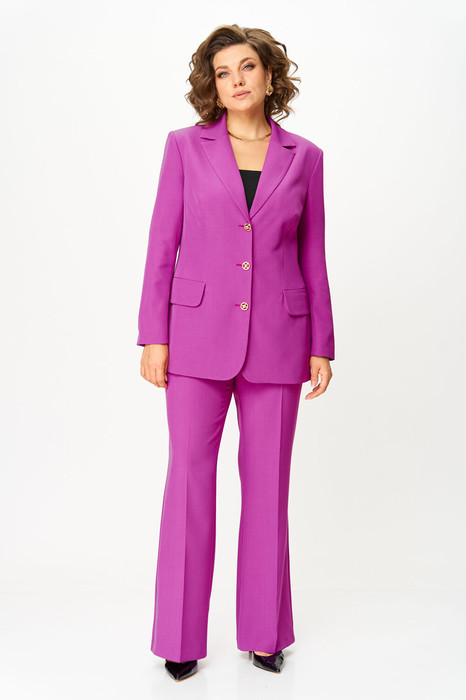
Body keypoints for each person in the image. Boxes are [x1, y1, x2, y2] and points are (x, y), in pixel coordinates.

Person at [137, 23, 335, 681]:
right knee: (188, 484)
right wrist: (154, 335)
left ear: (270, 75)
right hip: (194, 339)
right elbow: (162, 244)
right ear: (212, 86)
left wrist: (321, 342)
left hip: (280, 339)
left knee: (269, 487)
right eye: (224, 72)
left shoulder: (305, 157)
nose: (236, 80)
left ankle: (265, 632)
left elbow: (312, 253)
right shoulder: (183, 148)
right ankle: (179, 638)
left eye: (247, 67)